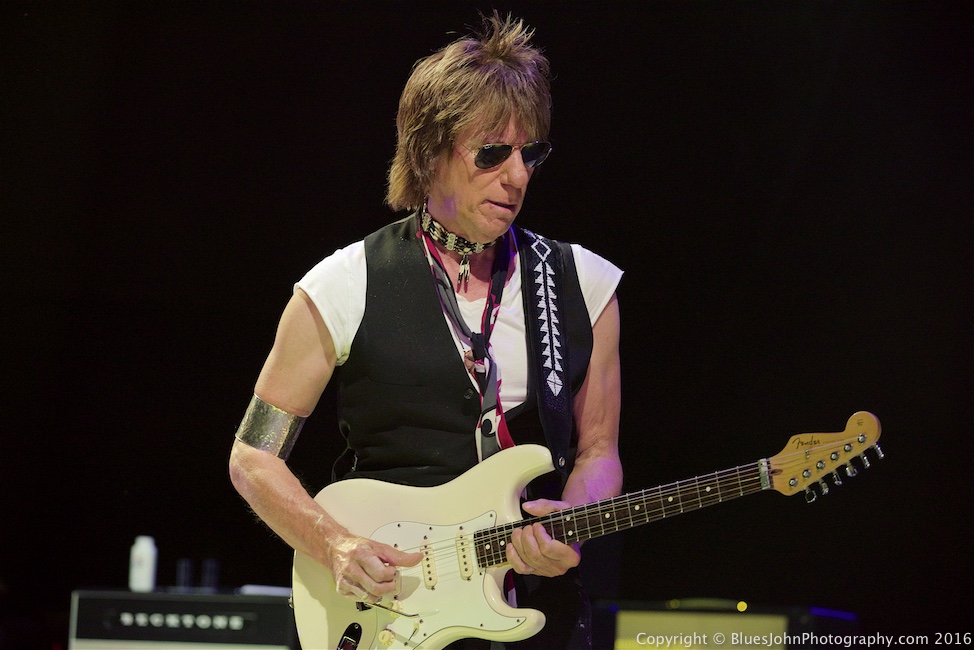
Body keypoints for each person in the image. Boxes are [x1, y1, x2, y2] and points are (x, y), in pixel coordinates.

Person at [229, 13, 623, 649]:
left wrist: (571, 525)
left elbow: (598, 452)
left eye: (532, 154)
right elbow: (252, 456)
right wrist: (334, 544)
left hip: (532, 617)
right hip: (389, 612)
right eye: (493, 153)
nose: (518, 177)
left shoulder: (585, 286)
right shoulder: (343, 282)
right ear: (427, 150)